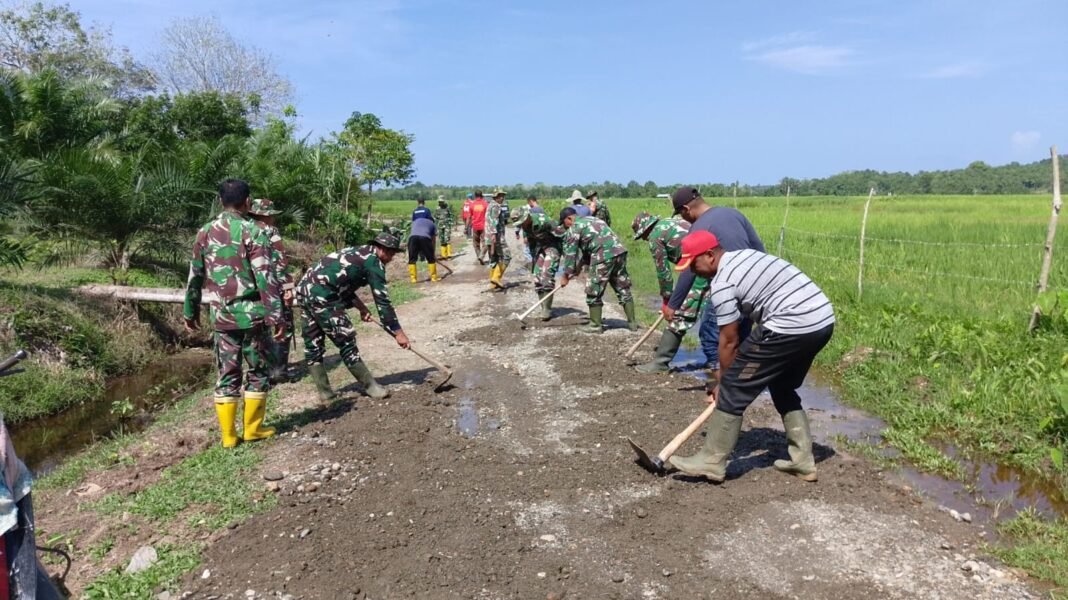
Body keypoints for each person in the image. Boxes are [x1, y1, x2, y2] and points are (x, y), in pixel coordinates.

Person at [668, 231, 835, 484]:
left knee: (734, 385)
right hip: (821, 321)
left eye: (694, 264)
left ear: (710, 255)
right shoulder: (745, 256)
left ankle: (712, 460)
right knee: (782, 384)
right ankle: (802, 461)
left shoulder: (723, 283)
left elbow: (730, 340)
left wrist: (724, 382)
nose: (692, 270)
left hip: (790, 325)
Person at [183, 179, 283, 448]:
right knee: (258, 370)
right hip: (253, 317)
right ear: (247, 201)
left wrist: (190, 309)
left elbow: (195, 275)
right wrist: (276, 315)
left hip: (222, 317)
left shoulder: (204, 232)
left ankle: (228, 437)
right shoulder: (253, 231)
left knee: (227, 373)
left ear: (220, 201)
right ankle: (253, 429)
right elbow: (265, 276)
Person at [664, 187, 765, 384]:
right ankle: (742, 382)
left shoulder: (699, 227)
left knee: (711, 335)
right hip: (753, 286)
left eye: (682, 214)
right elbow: (758, 248)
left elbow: (689, 270)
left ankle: (722, 384)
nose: (684, 219)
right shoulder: (734, 213)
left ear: (686, 209)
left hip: (728, 286)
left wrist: (673, 304)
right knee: (741, 335)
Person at [296, 231, 412, 402]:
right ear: (382, 250)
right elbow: (383, 302)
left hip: (305, 290)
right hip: (323, 295)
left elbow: (342, 284)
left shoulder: (358, 252)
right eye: (392, 253)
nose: (392, 258)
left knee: (313, 343)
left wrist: (362, 308)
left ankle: (325, 393)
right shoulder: (374, 262)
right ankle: (370, 386)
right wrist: (397, 332)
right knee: (345, 339)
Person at [629, 211, 712, 373]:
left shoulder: (655, 237)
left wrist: (668, 300)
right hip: (711, 261)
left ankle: (660, 363)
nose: (644, 240)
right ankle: (717, 360)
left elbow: (663, 272)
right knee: (714, 311)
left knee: (682, 313)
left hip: (699, 266)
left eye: (642, 236)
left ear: (646, 230)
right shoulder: (672, 222)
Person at [558, 207, 638, 332]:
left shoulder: (574, 228)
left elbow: (570, 254)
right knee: (622, 287)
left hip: (603, 256)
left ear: (569, 218)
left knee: (593, 291)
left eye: (564, 223)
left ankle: (595, 325)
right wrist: (578, 268)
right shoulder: (595, 219)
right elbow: (589, 249)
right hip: (619, 252)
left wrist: (565, 276)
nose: (566, 226)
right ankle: (632, 323)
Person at [248, 198, 297, 383]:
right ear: (265, 215)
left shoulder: (243, 229)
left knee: (259, 331)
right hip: (272, 287)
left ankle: (261, 371)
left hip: (251, 291)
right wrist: (287, 288)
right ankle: (279, 372)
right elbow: (280, 263)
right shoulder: (270, 232)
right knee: (283, 326)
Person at [512, 206, 564, 320]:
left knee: (547, 275)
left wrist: (569, 256)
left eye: (522, 222)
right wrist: (534, 259)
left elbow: (562, 235)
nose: (522, 225)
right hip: (540, 248)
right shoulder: (525, 226)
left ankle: (547, 310)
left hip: (553, 246)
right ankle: (543, 306)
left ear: (527, 217)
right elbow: (531, 242)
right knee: (537, 277)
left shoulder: (544, 221)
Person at [485, 188, 511, 290]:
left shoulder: (490, 205)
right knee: (507, 256)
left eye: (503, 196)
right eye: (501, 196)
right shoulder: (496, 206)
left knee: (494, 259)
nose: (503, 198)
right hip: (496, 236)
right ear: (497, 196)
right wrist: (494, 238)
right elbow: (493, 222)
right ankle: (496, 277)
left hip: (489, 236)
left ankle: (492, 283)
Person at [408, 214, 439, 283]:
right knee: (430, 259)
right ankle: (434, 278)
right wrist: (432, 252)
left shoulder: (416, 221)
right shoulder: (432, 224)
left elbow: (413, 231)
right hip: (425, 238)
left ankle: (413, 279)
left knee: (412, 258)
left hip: (412, 238)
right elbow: (433, 240)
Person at [469, 191, 489, 264]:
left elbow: (469, 216)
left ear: (475, 196)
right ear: (482, 196)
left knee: (476, 243)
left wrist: (466, 227)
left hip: (475, 227)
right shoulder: (485, 204)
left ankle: (479, 255)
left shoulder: (472, 204)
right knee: (486, 242)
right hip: (484, 226)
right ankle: (481, 256)